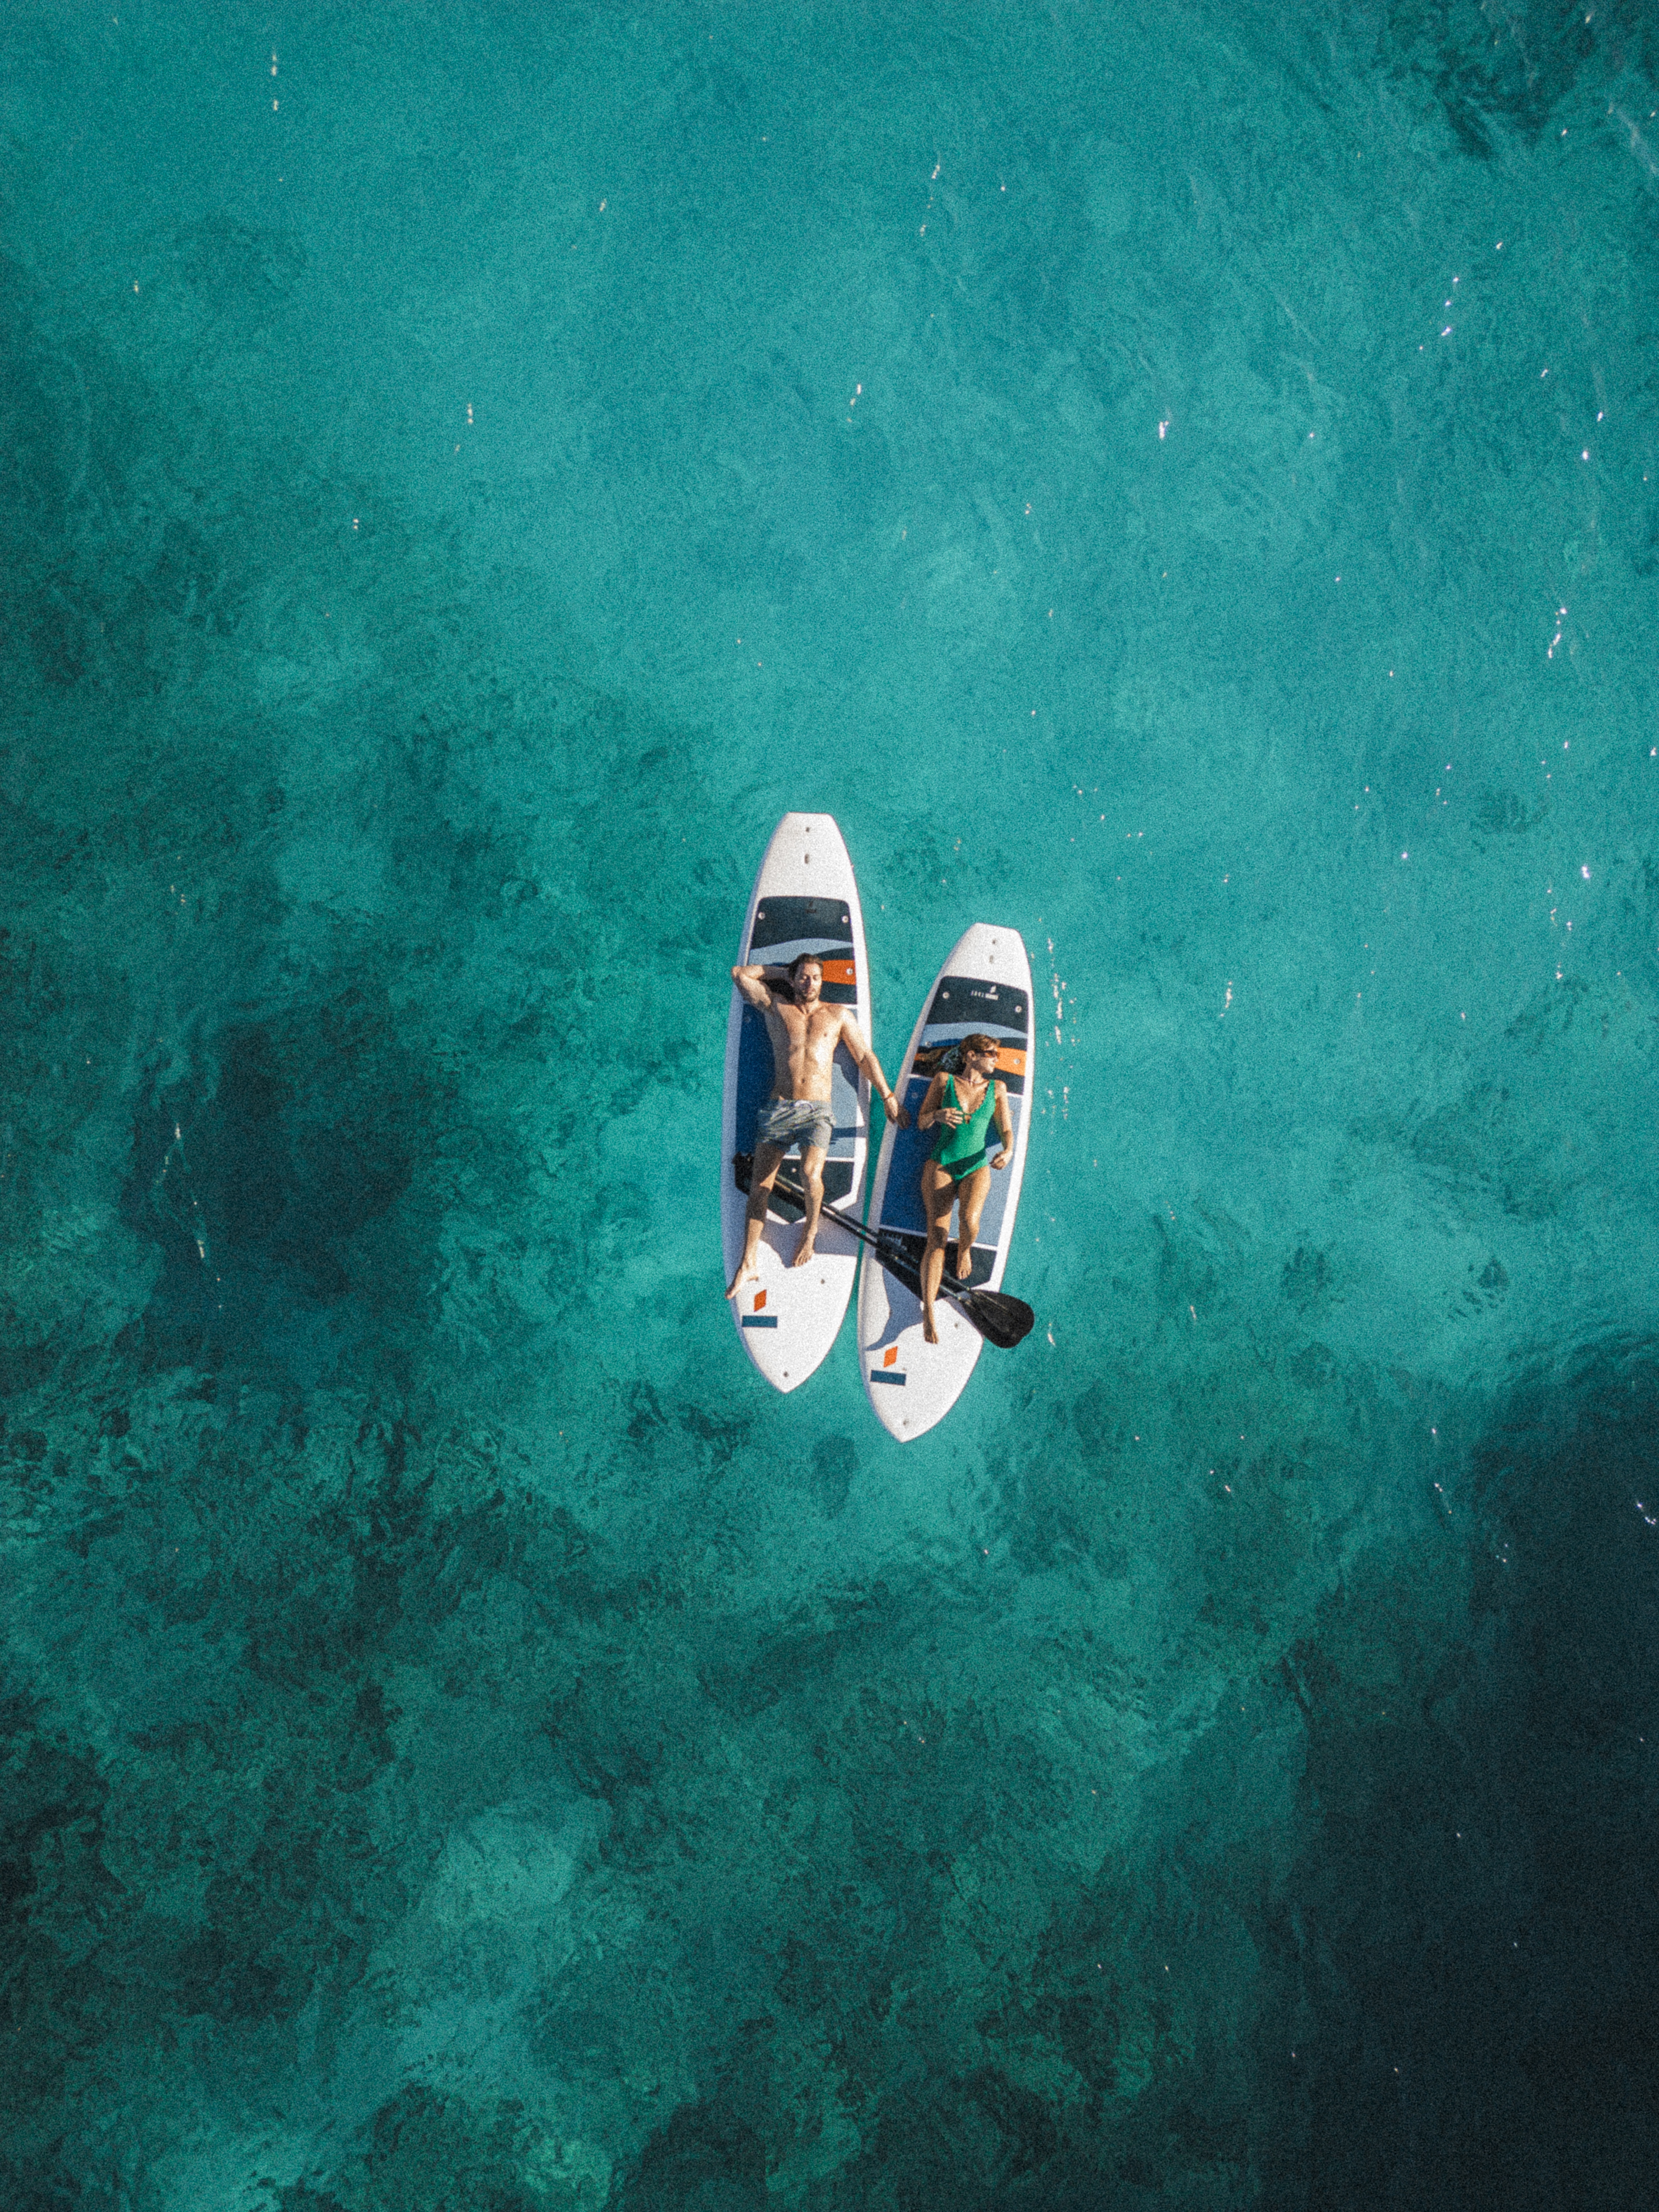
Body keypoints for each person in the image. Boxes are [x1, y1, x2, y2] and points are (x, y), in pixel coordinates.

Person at [725, 955, 908, 1300]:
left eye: (816, 978)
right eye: (804, 978)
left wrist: (887, 1096)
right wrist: (782, 972)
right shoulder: (776, 1006)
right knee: (760, 1185)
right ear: (794, 981)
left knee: (811, 1174)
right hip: (779, 1107)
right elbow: (740, 975)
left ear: (823, 982)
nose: (811, 984)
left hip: (817, 1113)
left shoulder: (838, 1015)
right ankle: (748, 1262)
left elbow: (864, 1056)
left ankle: (809, 1234)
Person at [916, 1032, 1012, 1344]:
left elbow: (1006, 1127)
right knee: (937, 1238)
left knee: (969, 1222)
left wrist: (1008, 1150)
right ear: (970, 1055)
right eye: (991, 1053)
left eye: (998, 1054)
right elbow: (921, 1122)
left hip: (976, 1166)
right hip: (941, 1165)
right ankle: (928, 1309)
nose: (997, 1059)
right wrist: (937, 1115)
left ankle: (966, 1249)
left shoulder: (998, 1089)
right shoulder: (944, 1081)